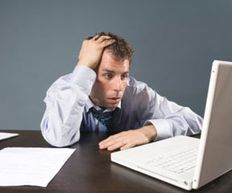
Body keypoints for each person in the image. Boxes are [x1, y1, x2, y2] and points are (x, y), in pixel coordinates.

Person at [40, 32, 203, 151]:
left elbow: (194, 120)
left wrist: (148, 131)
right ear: (88, 72)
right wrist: (83, 66)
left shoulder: (138, 93)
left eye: (124, 76)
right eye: (108, 75)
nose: (119, 87)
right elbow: (59, 138)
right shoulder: (65, 89)